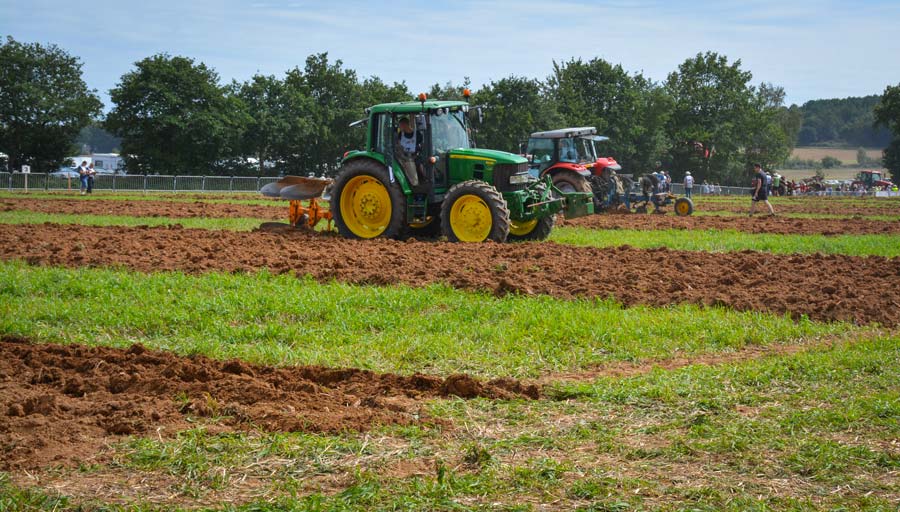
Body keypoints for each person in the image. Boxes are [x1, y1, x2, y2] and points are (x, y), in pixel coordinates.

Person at [395, 117, 422, 187]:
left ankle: (415, 184)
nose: (399, 127)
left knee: (410, 164)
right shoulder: (401, 134)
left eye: (400, 125)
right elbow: (398, 146)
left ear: (404, 125)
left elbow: (421, 147)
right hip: (402, 156)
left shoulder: (417, 134)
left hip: (413, 156)